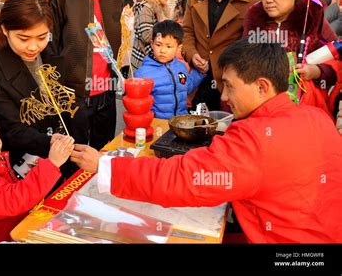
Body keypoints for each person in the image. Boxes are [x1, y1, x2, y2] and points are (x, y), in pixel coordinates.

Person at [71, 38, 342, 243]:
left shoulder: (257, 139)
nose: (223, 96)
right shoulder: (316, 116)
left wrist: (106, 167)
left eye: (229, 85)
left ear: (262, 87)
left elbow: (183, 179)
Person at [0, 0, 73, 178]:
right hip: (25, 163)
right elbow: (10, 129)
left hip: (64, 150)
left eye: (41, 37)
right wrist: (50, 142)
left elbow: (68, 96)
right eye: (23, 38)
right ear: (5, 29)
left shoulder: (50, 50)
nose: (33, 47)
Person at [50, 0, 123, 153]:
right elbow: (51, 46)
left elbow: (114, 46)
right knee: (74, 157)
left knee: (103, 154)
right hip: (73, 95)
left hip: (106, 94)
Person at [0, 105, 74, 243]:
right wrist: (52, 164)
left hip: (19, 229)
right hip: (5, 238)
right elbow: (13, 199)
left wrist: (34, 168)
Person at [243, 0, 339, 115]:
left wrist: (317, 71)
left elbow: (336, 57)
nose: (268, 0)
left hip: (303, 106)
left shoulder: (312, 17)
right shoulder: (254, 19)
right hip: (262, 106)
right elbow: (243, 59)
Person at [181, 0, 260, 111]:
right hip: (198, 79)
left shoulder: (253, 1)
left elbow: (251, 44)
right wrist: (192, 54)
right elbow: (187, 31)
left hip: (231, 82)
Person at [135, 20, 206, 119]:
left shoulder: (181, 68)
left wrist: (200, 72)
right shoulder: (142, 74)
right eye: (158, 45)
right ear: (152, 44)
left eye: (169, 46)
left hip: (180, 122)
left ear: (178, 48)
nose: (163, 51)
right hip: (158, 125)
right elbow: (138, 107)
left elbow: (187, 86)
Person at [130, 0, 174, 70]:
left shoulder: (161, 10)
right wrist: (165, 27)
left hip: (154, 63)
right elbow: (146, 36)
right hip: (142, 64)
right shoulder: (146, 8)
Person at [117, 0, 134, 78]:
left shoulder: (133, 19)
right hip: (122, 48)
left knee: (126, 67)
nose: (125, 10)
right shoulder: (122, 18)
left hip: (128, 49)